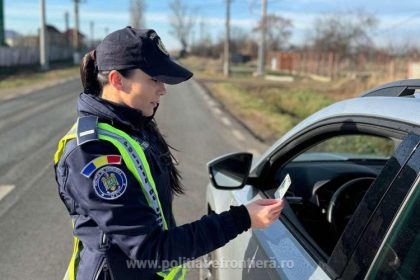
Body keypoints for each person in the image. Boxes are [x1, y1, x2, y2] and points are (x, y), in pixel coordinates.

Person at [53, 26, 284, 280]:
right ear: (117, 80)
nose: (162, 89)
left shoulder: (133, 126)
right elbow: (151, 250)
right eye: (154, 79)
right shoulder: (92, 152)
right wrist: (242, 218)